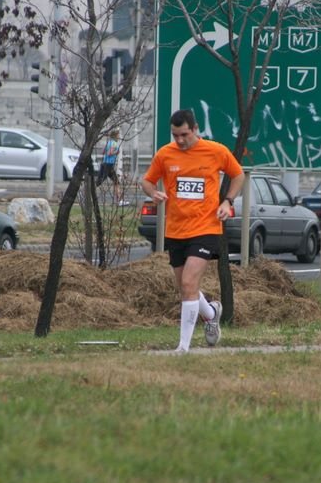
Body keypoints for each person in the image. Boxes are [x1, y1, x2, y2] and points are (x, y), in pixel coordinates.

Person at [140, 109, 245, 353]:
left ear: (195, 129)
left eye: (184, 134)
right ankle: (211, 313)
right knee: (185, 287)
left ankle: (183, 347)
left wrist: (227, 201)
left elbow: (238, 175)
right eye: (175, 135)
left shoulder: (215, 151)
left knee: (189, 282)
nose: (179, 140)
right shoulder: (165, 154)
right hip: (176, 230)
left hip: (206, 227)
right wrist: (152, 192)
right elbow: (146, 180)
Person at [96, 129, 127, 206]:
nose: (119, 136)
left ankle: (119, 201)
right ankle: (87, 195)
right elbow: (110, 153)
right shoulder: (114, 144)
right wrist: (116, 152)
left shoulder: (109, 142)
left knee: (116, 182)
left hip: (106, 164)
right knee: (99, 182)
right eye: (118, 135)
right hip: (108, 165)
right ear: (115, 136)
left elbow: (103, 152)